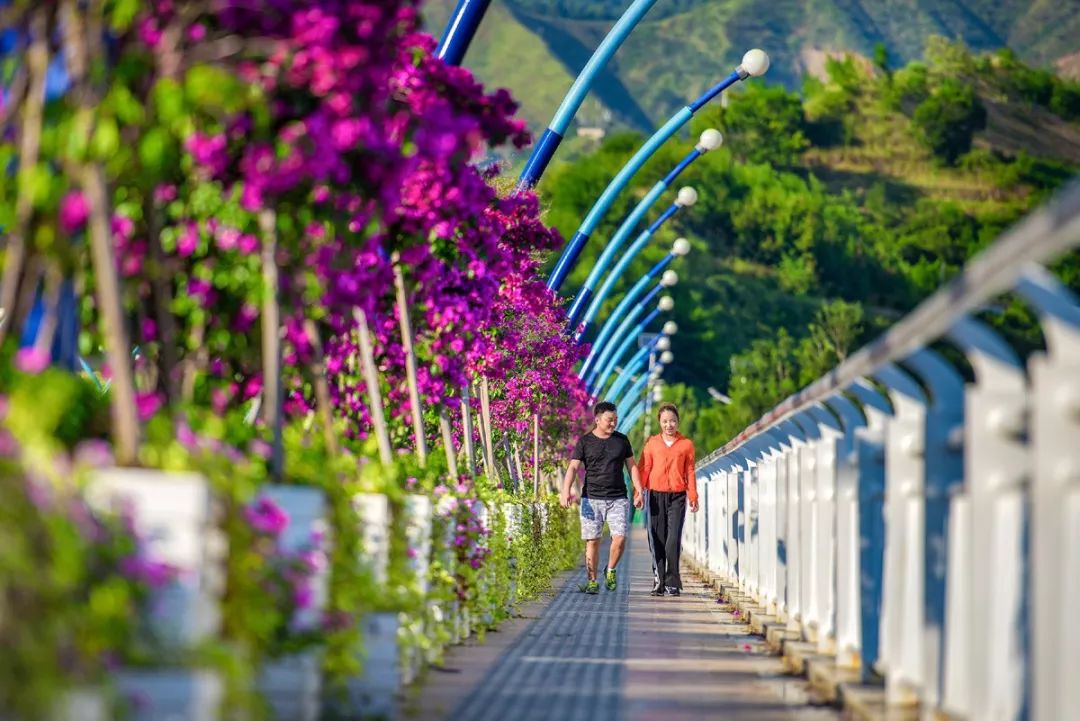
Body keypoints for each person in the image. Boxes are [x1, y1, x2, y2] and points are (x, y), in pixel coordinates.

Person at [560, 401, 644, 594]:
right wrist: (566, 490)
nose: (613, 423)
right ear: (597, 420)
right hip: (591, 498)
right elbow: (573, 467)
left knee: (620, 538)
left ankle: (611, 569)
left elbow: (631, 466)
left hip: (618, 498)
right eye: (609, 420)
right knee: (592, 541)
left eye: (615, 419)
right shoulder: (585, 442)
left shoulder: (622, 441)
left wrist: (638, 489)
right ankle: (592, 581)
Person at [638, 402, 698, 596]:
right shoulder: (651, 443)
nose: (669, 425)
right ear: (659, 423)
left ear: (678, 422)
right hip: (655, 495)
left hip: (677, 497)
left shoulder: (686, 444)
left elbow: (690, 470)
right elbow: (644, 468)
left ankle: (672, 581)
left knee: (673, 539)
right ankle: (659, 580)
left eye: (672, 421)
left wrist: (693, 495)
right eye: (665, 421)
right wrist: (639, 492)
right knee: (657, 539)